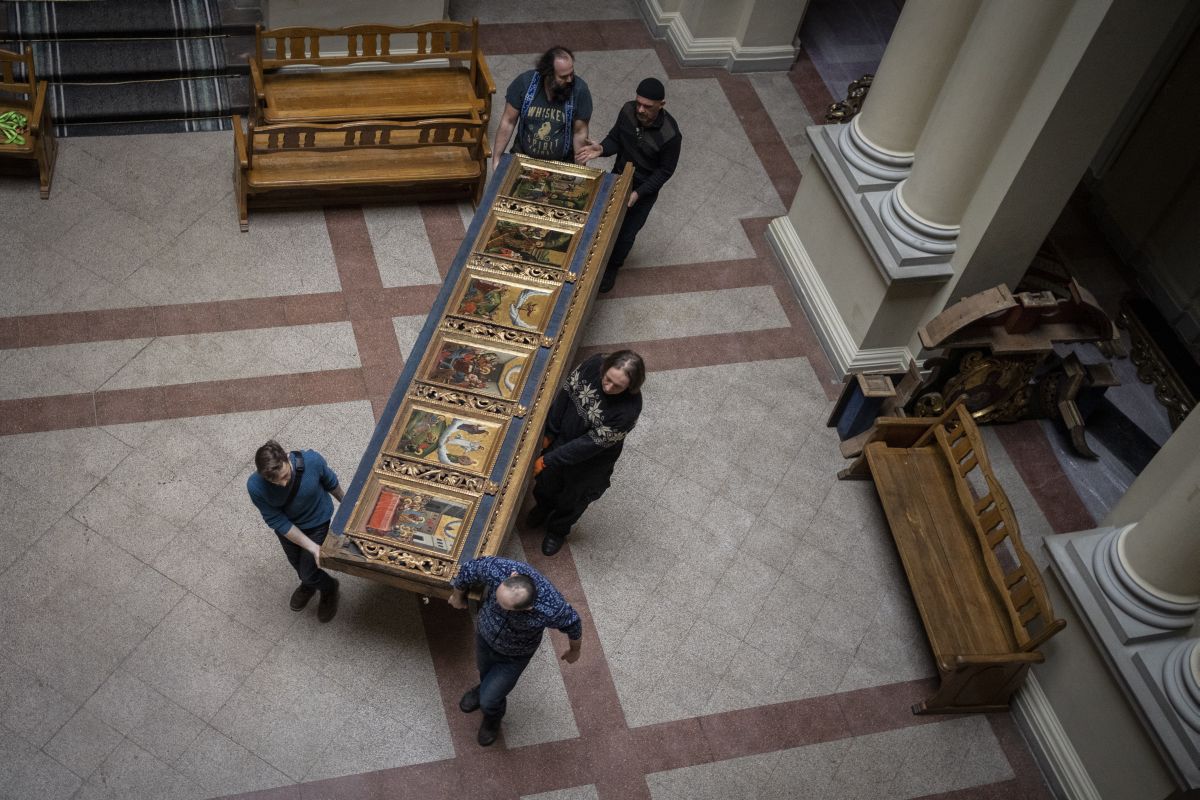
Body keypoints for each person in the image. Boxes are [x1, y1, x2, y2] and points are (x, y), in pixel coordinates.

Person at [448, 556, 582, 746]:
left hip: (514, 655)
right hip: (485, 636)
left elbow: (573, 624)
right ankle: (482, 688)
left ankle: (492, 715)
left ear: (528, 608)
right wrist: (457, 595)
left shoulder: (551, 608)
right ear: (512, 576)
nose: (498, 606)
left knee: (490, 700)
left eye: (505, 607)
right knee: (484, 669)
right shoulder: (501, 570)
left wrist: (574, 650)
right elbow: (470, 568)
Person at [528, 350, 645, 556]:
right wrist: (551, 432)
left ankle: (557, 530)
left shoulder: (628, 411)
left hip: (591, 463)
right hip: (563, 438)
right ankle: (543, 508)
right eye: (607, 379)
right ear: (604, 367)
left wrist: (548, 459)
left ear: (630, 387)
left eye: (617, 386)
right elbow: (565, 393)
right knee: (546, 484)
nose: (608, 387)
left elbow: (588, 445)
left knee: (573, 499)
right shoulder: (592, 365)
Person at [575, 77, 682, 293]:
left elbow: (665, 171)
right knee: (601, 218)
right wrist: (603, 149)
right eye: (639, 103)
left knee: (625, 233)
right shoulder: (627, 111)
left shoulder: (671, 136)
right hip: (620, 176)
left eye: (647, 107)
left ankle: (612, 267)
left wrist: (639, 193)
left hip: (643, 189)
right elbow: (617, 137)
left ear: (661, 105)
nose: (640, 110)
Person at [247, 440, 343, 622]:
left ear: (287, 459)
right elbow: (277, 520)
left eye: (285, 476)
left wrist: (347, 506)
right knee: (298, 566)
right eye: (273, 481)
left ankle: (329, 588)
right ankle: (309, 584)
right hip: (288, 529)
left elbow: (331, 483)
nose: (282, 484)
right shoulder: (255, 486)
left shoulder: (312, 461)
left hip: (317, 521)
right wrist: (313, 548)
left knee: (307, 571)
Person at [491, 46, 592, 172]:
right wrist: (496, 159)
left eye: (572, 73)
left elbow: (580, 133)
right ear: (548, 74)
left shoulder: (580, 91)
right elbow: (508, 121)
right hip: (522, 158)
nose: (570, 80)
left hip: (561, 164)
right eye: (563, 77)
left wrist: (579, 172)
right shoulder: (524, 83)